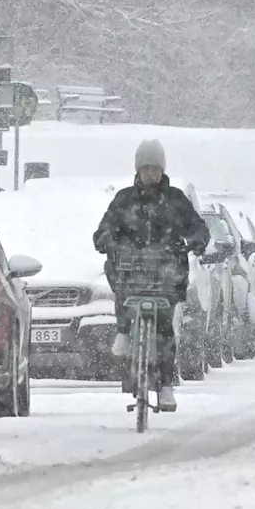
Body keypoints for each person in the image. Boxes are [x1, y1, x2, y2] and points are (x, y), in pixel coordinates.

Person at [92, 140, 210, 412]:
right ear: (138, 170)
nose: (150, 174)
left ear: (162, 169)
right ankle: (123, 331)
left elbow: (197, 227)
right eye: (145, 168)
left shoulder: (176, 199)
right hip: (132, 270)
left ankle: (166, 385)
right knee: (122, 293)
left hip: (166, 273)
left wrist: (196, 241)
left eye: (155, 168)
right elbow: (105, 227)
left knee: (165, 329)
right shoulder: (124, 200)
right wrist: (105, 240)